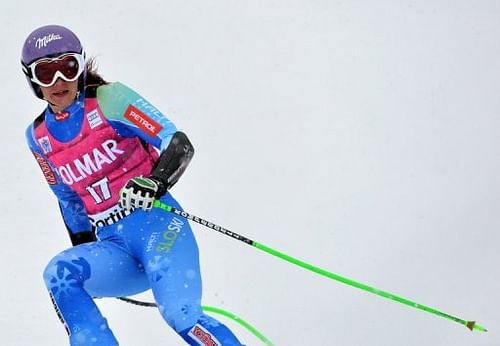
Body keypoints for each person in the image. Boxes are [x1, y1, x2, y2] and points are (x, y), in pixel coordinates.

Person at [22, 24, 243, 346]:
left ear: (81, 68)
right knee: (60, 273)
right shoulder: (38, 137)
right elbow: (68, 199)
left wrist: (154, 182)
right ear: (32, 80)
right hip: (115, 248)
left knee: (180, 315)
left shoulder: (110, 99)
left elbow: (176, 142)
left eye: (68, 67)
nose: (58, 81)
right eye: (46, 72)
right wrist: (86, 248)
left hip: (159, 229)